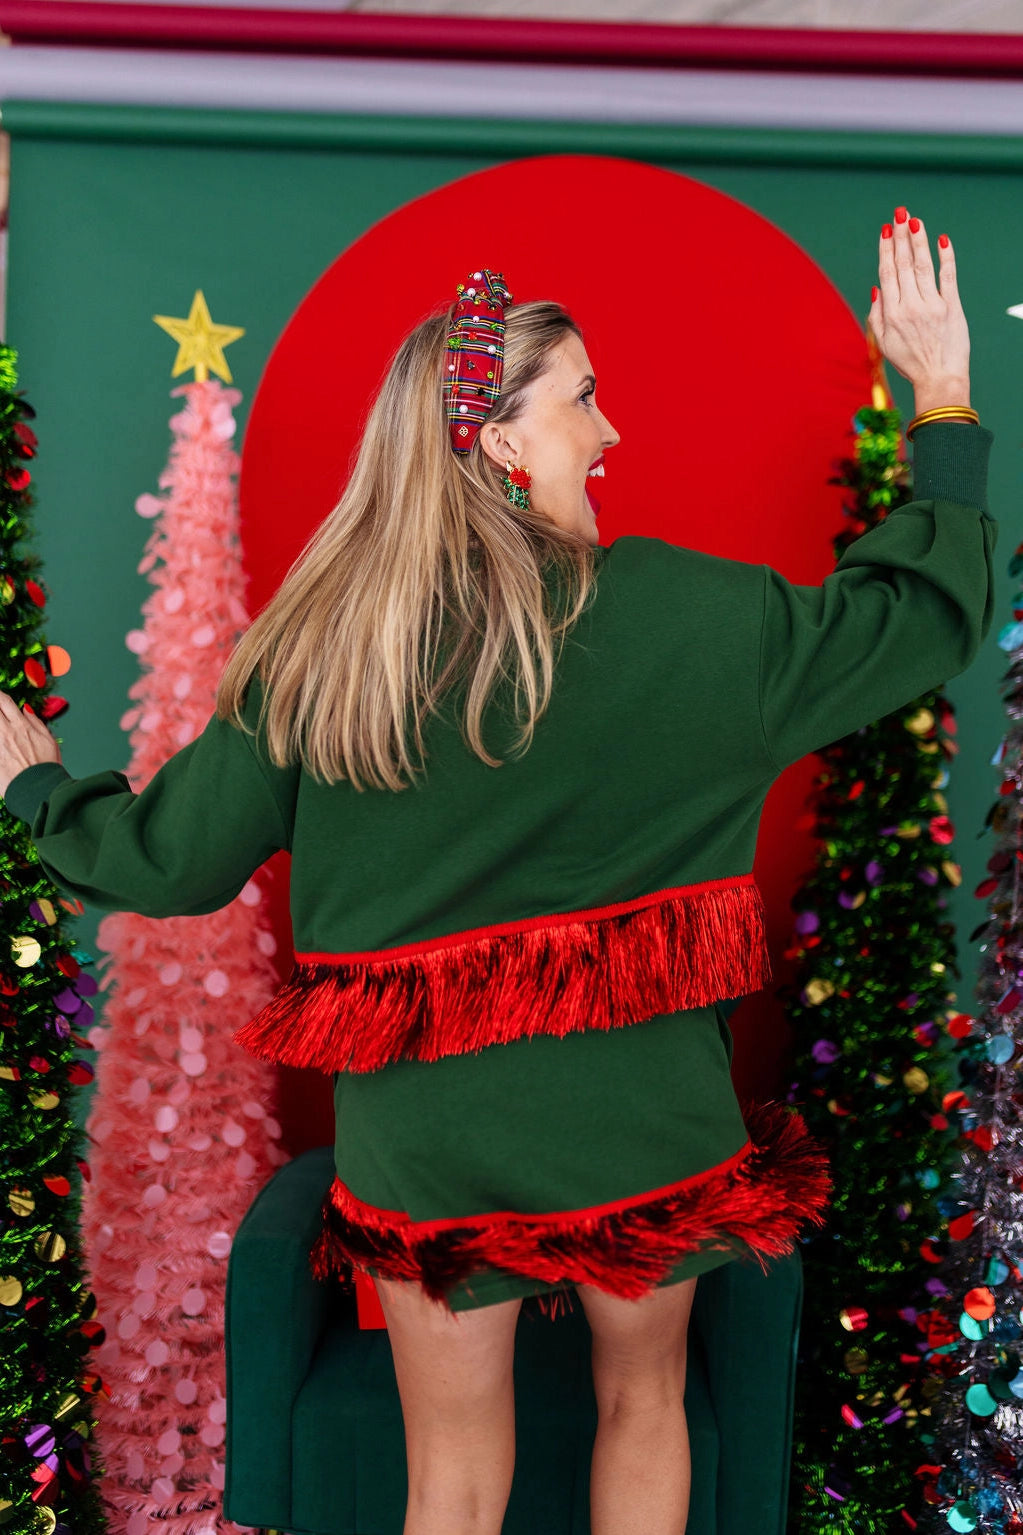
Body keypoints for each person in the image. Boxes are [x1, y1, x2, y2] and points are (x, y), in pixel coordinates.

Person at [0, 208, 994, 1535]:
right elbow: (919, 618)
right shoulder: (694, 620)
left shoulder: (326, 651)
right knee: (645, 1406)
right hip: (642, 1119)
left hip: (428, 1142)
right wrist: (942, 395)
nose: (610, 430)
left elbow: (164, 862)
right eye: (585, 398)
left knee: (452, 1475)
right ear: (506, 442)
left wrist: (35, 791)